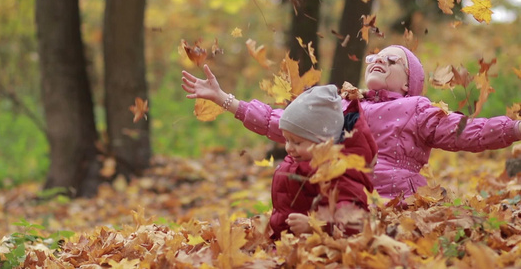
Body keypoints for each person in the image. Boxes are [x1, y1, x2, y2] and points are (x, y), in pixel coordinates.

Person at [182, 44, 521, 201]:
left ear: (408, 81)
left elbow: (468, 132)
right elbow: (284, 123)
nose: (378, 60)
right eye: (375, 57)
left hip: (397, 200)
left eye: (392, 60)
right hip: (340, 195)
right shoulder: (343, 104)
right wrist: (226, 100)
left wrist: (516, 127)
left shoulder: (418, 107)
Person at [182, 75, 377, 238]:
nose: (289, 148)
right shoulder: (302, 152)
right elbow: (267, 120)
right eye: (286, 140)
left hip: (313, 254)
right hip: (285, 244)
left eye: (297, 143)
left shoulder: (338, 170)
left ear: (323, 142)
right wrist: (222, 98)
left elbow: (354, 220)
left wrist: (315, 226)